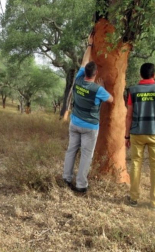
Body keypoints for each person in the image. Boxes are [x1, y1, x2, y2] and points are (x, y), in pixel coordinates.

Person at [62, 34, 114, 193]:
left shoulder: (78, 80)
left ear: (85, 73)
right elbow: (111, 99)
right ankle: (81, 185)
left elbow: (84, 62)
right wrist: (103, 86)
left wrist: (89, 45)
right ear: (96, 74)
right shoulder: (98, 89)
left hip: (75, 123)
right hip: (90, 126)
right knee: (86, 155)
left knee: (71, 150)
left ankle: (66, 178)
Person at [125, 63, 155, 210]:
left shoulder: (132, 91)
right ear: (154, 74)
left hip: (137, 133)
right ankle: (154, 202)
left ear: (140, 75)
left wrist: (126, 136)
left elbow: (129, 116)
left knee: (135, 164)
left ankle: (133, 198)